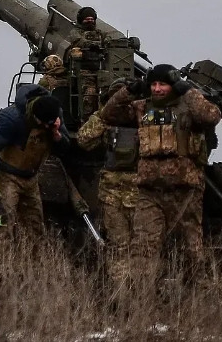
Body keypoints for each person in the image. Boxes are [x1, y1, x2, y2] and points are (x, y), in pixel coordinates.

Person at [121, 64, 221, 291]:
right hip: (150, 192)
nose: (157, 89)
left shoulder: (188, 107)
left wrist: (188, 91)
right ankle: (140, 300)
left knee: (191, 248)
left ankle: (197, 296)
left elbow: (211, 115)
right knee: (143, 248)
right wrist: (129, 91)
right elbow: (108, 113)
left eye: (163, 84)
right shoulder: (141, 108)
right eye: (153, 84)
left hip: (185, 190)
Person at [0, 84, 70, 261]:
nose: (46, 126)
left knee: (36, 229)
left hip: (31, 179)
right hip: (7, 178)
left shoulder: (54, 114)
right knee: (3, 226)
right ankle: (0, 274)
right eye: (43, 123)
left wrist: (57, 135)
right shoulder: (12, 119)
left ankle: (33, 272)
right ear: (35, 116)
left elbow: (65, 148)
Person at [77, 77, 144, 288]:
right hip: (140, 191)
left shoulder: (105, 117)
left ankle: (123, 296)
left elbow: (83, 139)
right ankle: (141, 296)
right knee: (141, 247)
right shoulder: (145, 117)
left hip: (112, 193)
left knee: (119, 247)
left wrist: (103, 116)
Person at [68, 6, 106, 119]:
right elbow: (77, 41)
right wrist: (90, 45)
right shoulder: (76, 32)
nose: (90, 21)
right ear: (81, 20)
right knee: (90, 93)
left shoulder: (100, 34)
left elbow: (108, 40)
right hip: (84, 70)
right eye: (87, 19)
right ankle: (86, 120)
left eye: (92, 19)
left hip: (99, 69)